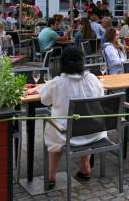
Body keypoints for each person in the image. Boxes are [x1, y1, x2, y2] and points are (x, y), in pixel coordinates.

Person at [40, 47, 105, 188]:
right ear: (82, 62)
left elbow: (44, 101)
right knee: (84, 121)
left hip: (66, 135)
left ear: (62, 63)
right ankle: (85, 167)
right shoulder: (93, 79)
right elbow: (101, 97)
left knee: (53, 126)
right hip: (94, 132)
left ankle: (51, 176)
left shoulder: (57, 82)